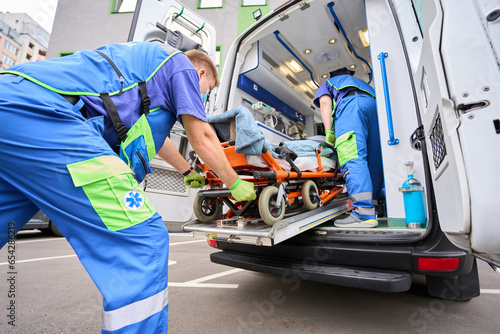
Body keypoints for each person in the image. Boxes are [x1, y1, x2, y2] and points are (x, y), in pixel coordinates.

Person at [0, 41, 256, 333]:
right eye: (206, 90)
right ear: (199, 73)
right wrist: (233, 181)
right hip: (47, 116)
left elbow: (161, 141)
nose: (202, 98)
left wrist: (188, 169)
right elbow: (203, 137)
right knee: (143, 240)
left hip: (10, 104)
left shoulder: (146, 69)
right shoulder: (180, 65)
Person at [314, 67, 383, 228]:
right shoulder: (363, 84)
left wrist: (329, 131)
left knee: (352, 156)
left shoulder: (328, 83)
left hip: (351, 106)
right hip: (373, 108)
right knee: (374, 161)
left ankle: (363, 213)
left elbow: (325, 103)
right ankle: (373, 207)